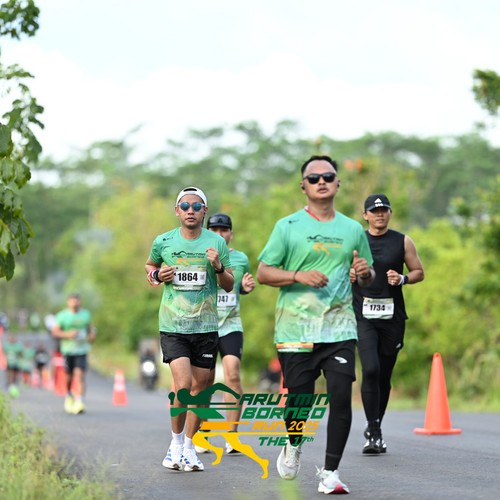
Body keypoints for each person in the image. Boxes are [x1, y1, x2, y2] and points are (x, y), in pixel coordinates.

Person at [257, 155, 375, 495]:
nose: (321, 181)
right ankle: (293, 443)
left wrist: (365, 274)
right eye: (314, 178)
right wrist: (297, 275)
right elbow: (264, 272)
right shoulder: (287, 226)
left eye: (328, 176)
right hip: (295, 329)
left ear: (338, 183)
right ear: (303, 186)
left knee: (341, 394)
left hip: (339, 328)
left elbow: (367, 275)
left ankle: (331, 472)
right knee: (301, 400)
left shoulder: (353, 229)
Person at [145, 186, 234, 473]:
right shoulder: (163, 241)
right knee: (183, 385)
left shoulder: (216, 242)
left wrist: (218, 267)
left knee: (200, 390)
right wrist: (157, 274)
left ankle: (189, 447)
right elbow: (150, 266)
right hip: (173, 325)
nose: (190, 211)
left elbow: (229, 284)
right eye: (185, 206)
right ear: (177, 211)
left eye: (196, 206)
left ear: (204, 211)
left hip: (206, 326)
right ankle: (174, 444)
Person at [351, 193, 424, 454]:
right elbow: (336, 270)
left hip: (393, 318)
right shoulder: (355, 241)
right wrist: (348, 274)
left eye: (384, 210)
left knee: (383, 375)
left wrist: (403, 279)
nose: (380, 214)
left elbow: (419, 272)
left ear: (390, 213)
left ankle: (376, 425)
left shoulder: (402, 241)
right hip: (363, 317)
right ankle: (374, 431)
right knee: (370, 369)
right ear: (365, 215)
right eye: (374, 211)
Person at [203, 212, 256, 454]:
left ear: (230, 234)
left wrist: (244, 288)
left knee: (233, 375)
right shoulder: (199, 256)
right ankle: (202, 430)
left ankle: (231, 436)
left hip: (231, 324)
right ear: (207, 232)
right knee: (205, 381)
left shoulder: (241, 258)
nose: (219, 234)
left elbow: (237, 287)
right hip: (204, 326)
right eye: (214, 230)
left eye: (223, 230)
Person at [51, 293, 96, 414]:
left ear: (80, 302)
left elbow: (91, 329)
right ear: (68, 302)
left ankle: (79, 401)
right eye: (73, 301)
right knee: (69, 376)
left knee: (80, 374)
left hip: (82, 350)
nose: (75, 303)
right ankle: (69, 395)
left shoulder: (85, 314)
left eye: (77, 301)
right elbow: (55, 332)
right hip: (68, 350)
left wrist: (92, 335)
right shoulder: (62, 316)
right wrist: (67, 335)